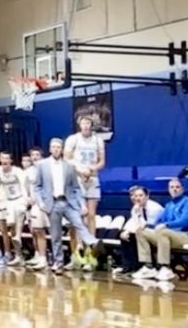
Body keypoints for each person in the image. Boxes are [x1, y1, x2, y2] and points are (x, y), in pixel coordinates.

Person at [31, 136, 98, 274]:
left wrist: (82, 204)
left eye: (58, 147)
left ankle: (92, 242)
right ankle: (58, 263)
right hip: (52, 203)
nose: (56, 149)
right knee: (55, 236)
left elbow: (76, 188)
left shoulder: (69, 166)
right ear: (50, 149)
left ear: (61, 150)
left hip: (68, 202)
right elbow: (37, 187)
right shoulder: (42, 165)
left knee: (78, 223)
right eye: (54, 147)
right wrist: (41, 202)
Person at [134, 178, 188, 282]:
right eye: (172, 187)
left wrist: (166, 224)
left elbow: (184, 221)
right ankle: (148, 267)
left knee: (163, 231)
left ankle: (165, 267)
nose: (174, 189)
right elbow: (159, 222)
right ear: (168, 189)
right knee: (141, 232)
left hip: (187, 236)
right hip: (168, 236)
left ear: (182, 189)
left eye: (177, 187)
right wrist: (147, 225)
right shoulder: (168, 205)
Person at [64, 115, 105, 270]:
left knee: (91, 216)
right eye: (83, 122)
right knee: (76, 218)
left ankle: (90, 256)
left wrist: (91, 169)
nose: (86, 125)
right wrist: (80, 169)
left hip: (92, 178)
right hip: (77, 179)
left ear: (91, 125)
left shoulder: (97, 140)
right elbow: (66, 158)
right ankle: (76, 256)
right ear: (79, 124)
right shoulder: (73, 139)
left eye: (88, 123)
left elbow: (102, 161)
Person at [113, 185, 163, 278]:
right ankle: (128, 266)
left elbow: (148, 225)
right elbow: (134, 223)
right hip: (144, 232)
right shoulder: (136, 208)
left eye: (140, 196)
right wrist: (126, 232)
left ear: (147, 196)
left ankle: (140, 266)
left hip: (158, 233)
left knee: (135, 236)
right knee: (125, 236)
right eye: (135, 196)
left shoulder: (154, 208)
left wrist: (138, 216)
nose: (137, 198)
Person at [0, 151, 27, 266]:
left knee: (20, 211)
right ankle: (18, 255)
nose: (4, 160)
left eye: (7, 158)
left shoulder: (18, 171)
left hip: (19, 198)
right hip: (9, 201)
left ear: (11, 161)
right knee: (11, 226)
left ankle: (18, 235)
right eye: (2, 158)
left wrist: (26, 199)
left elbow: (24, 186)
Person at [23, 146, 50, 270]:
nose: (35, 157)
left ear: (41, 156)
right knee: (35, 230)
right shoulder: (28, 172)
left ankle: (49, 258)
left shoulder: (47, 169)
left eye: (37, 155)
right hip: (33, 206)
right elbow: (25, 188)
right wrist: (28, 198)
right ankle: (39, 256)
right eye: (33, 155)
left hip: (45, 204)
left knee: (46, 232)